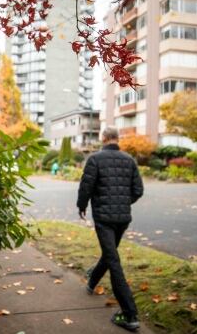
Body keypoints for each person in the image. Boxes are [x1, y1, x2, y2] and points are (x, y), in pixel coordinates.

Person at [76, 127, 144, 331]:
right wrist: (124, 202)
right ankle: (92, 282)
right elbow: (138, 190)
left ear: (103, 138)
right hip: (123, 218)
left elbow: (86, 186)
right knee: (110, 253)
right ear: (117, 139)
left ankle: (129, 315)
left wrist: (82, 205)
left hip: (104, 218)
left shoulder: (95, 159)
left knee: (112, 260)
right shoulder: (129, 160)